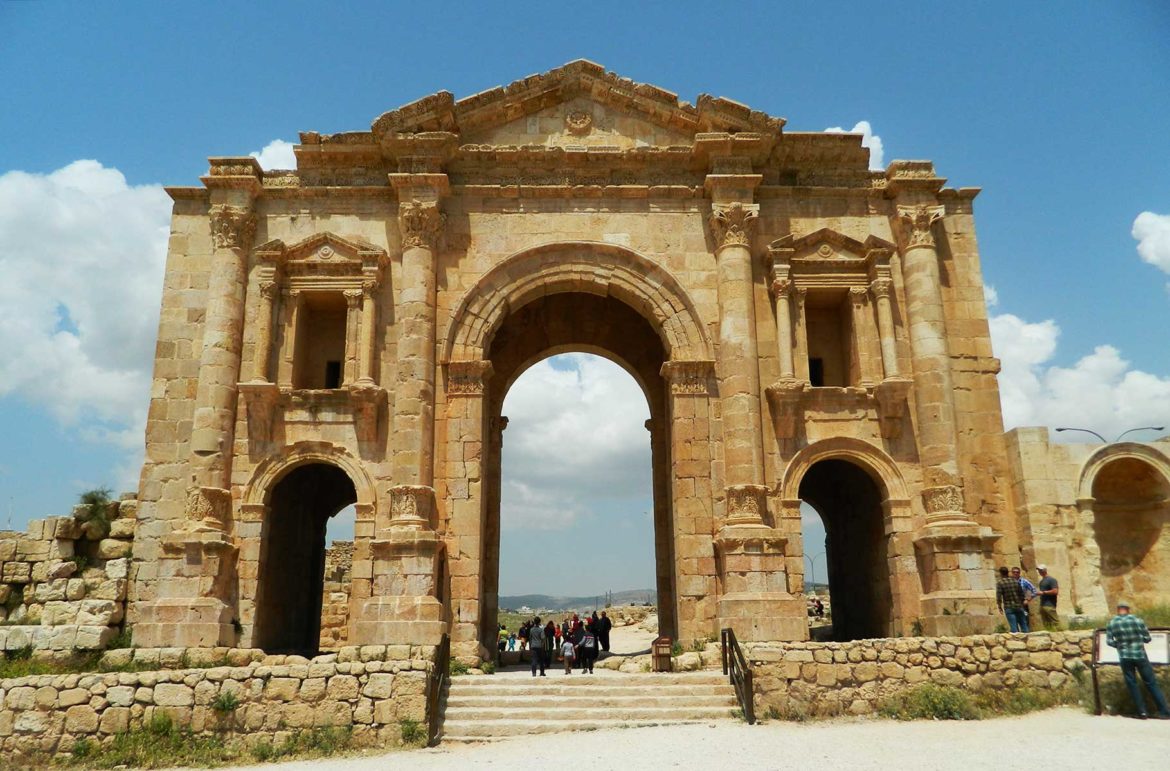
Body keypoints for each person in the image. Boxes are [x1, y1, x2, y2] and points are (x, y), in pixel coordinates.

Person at [1105, 601, 1170, 719]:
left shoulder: (1112, 623)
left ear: (1118, 610)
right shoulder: (1137, 620)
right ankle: (1164, 711)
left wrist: (1120, 645)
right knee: (1151, 683)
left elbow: (1109, 641)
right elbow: (1147, 638)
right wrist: (1140, 641)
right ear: (1128, 609)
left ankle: (1142, 712)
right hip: (1140, 655)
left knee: (1132, 684)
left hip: (1124, 656)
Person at [996, 566, 1028, 633]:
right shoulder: (1015, 581)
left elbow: (999, 596)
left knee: (1014, 627)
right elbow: (1021, 594)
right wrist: (1022, 602)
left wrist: (999, 607)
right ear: (1008, 573)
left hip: (1009, 607)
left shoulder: (1000, 583)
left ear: (1001, 573)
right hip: (1019, 606)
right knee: (1024, 625)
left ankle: (1017, 642)